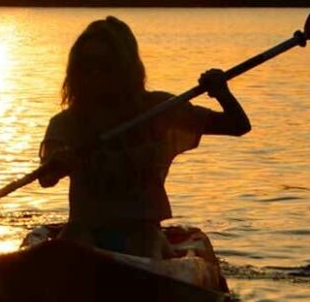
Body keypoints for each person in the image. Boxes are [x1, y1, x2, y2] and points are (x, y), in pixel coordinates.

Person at [37, 16, 250, 258]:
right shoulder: (66, 124)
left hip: (143, 233)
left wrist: (221, 92)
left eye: (105, 65)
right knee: (75, 238)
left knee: (144, 240)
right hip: (85, 232)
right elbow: (46, 178)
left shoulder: (160, 110)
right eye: (87, 65)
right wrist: (57, 163)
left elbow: (237, 125)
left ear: (125, 67)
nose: (95, 74)